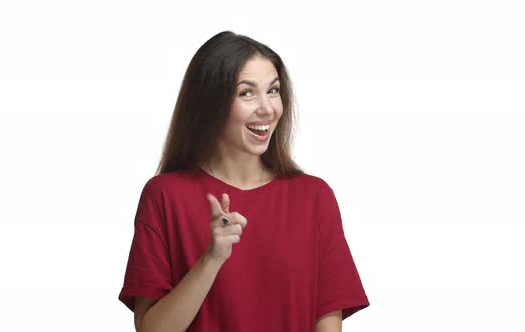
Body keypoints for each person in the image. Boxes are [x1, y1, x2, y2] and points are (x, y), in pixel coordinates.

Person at [118, 30, 370, 331]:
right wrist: (211, 259)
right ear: (210, 103)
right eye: (246, 93)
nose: (267, 108)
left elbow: (328, 320)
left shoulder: (314, 197)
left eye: (273, 90)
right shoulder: (164, 195)